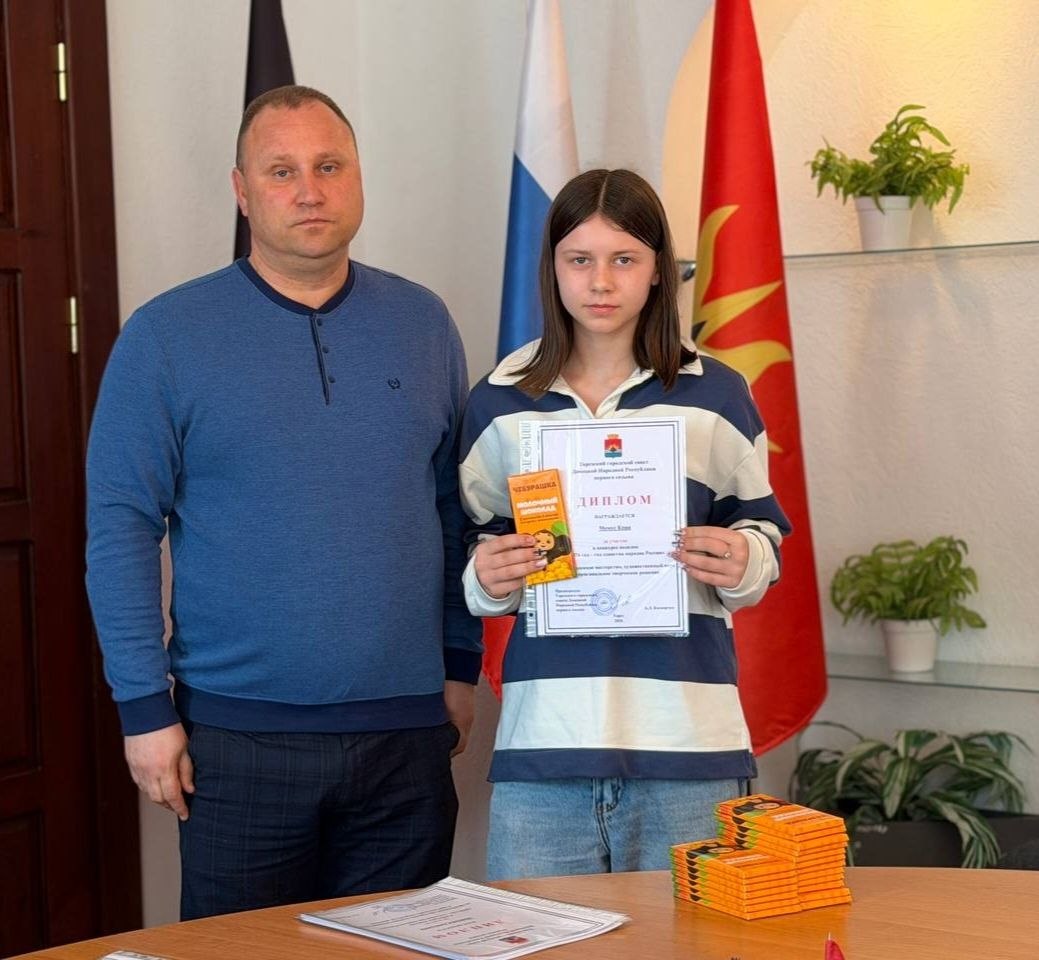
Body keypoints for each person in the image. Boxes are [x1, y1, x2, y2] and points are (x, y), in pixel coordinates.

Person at [85, 85, 482, 919]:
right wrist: (143, 710)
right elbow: (120, 529)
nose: (309, 190)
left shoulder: (423, 323)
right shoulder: (165, 336)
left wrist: (458, 664)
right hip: (236, 742)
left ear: (358, 177)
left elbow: (454, 510)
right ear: (242, 190)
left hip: (405, 737)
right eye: (281, 171)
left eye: (328, 166)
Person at [458, 168, 791, 879]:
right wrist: (487, 577)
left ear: (658, 270)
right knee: (535, 936)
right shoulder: (499, 400)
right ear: (552, 268)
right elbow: (473, 547)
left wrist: (743, 560)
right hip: (544, 746)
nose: (601, 281)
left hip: (689, 748)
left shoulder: (717, 394)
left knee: (693, 938)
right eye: (580, 259)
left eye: (624, 259)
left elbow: (761, 537)